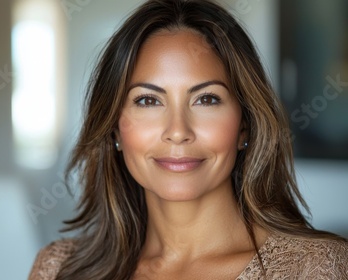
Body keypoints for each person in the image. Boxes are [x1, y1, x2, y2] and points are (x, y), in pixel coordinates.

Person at [29, 0, 348, 279]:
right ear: (114, 129)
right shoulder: (58, 269)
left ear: (244, 126)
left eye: (206, 99)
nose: (178, 130)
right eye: (148, 101)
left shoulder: (316, 268)